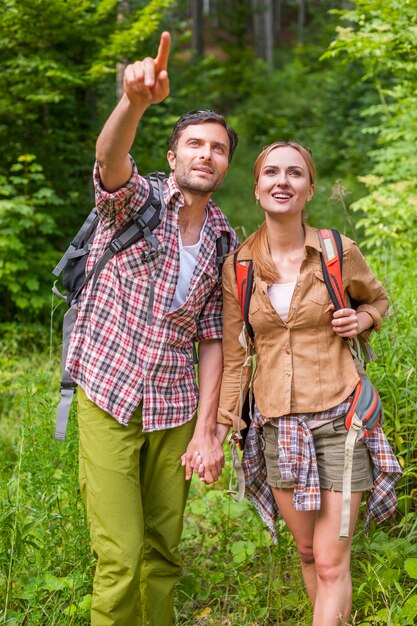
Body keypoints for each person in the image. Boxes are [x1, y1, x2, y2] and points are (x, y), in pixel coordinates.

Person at [65, 31, 239, 626]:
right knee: (120, 555)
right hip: (109, 395)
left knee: (163, 555)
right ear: (172, 157)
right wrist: (134, 103)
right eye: (194, 143)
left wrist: (209, 432)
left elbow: (214, 339)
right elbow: (110, 162)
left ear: (226, 165)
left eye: (218, 148)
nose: (205, 154)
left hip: (175, 407)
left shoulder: (224, 240)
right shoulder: (135, 201)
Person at [216, 141, 402, 625]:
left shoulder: (338, 252)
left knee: (329, 559)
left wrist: (362, 321)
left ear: (310, 188)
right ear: (256, 189)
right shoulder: (238, 267)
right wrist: (221, 428)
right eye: (271, 173)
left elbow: (378, 302)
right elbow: (236, 358)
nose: (283, 181)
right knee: (304, 551)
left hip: (343, 421)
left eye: (294, 173)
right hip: (278, 426)